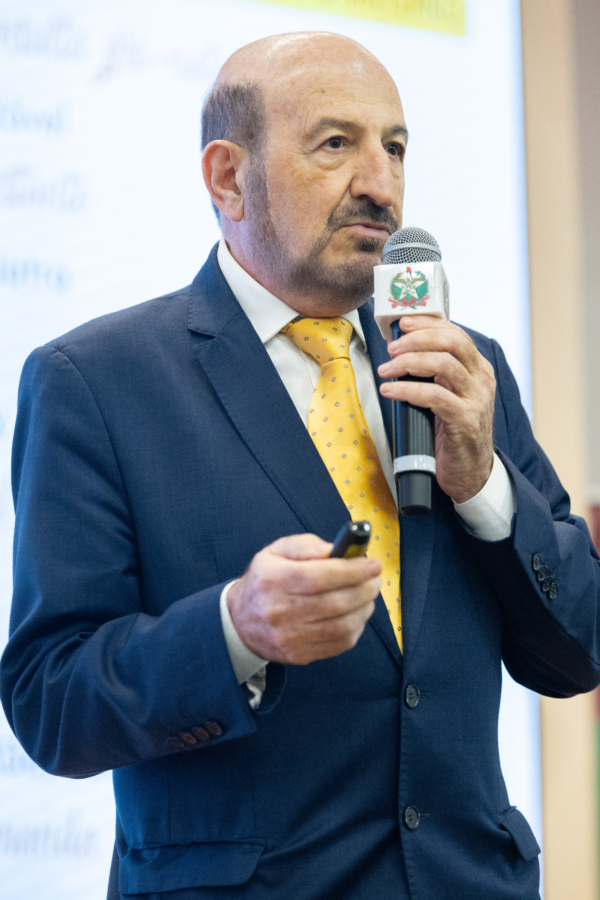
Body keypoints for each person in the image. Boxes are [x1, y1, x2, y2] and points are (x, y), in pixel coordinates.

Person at [1, 31, 599, 900]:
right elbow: (51, 704)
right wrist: (235, 630)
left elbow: (577, 653)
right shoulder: (95, 382)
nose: (381, 183)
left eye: (396, 147)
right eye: (336, 143)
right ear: (227, 178)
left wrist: (485, 490)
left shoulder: (462, 369)